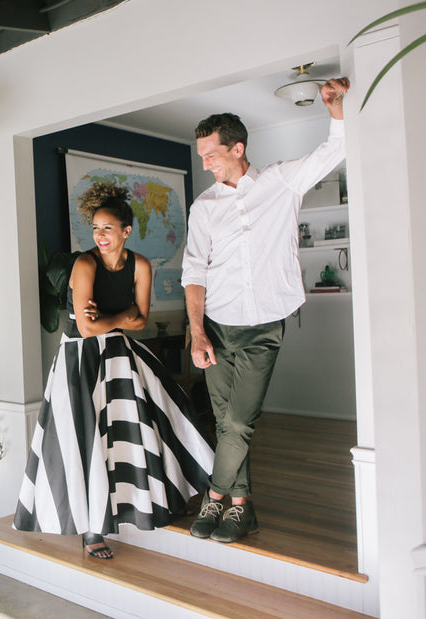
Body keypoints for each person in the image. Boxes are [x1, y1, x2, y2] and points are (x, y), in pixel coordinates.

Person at [181, 77, 350, 544]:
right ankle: (240, 510)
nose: (206, 162)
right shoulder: (204, 206)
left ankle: (215, 496)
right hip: (213, 326)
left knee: (239, 420)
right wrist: (196, 333)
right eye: (201, 156)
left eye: (211, 153)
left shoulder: (279, 182)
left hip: (261, 327)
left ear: (237, 148)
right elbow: (194, 272)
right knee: (224, 421)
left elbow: (332, 152)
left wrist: (335, 112)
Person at [14, 183, 214, 559]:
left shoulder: (140, 265)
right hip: (79, 362)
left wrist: (113, 319)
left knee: (139, 430)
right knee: (85, 441)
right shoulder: (84, 264)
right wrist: (122, 316)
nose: (100, 236)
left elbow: (143, 322)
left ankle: (151, 502)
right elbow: (90, 329)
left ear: (126, 231)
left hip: (122, 357)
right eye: (95, 229)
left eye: (108, 228)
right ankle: (91, 531)